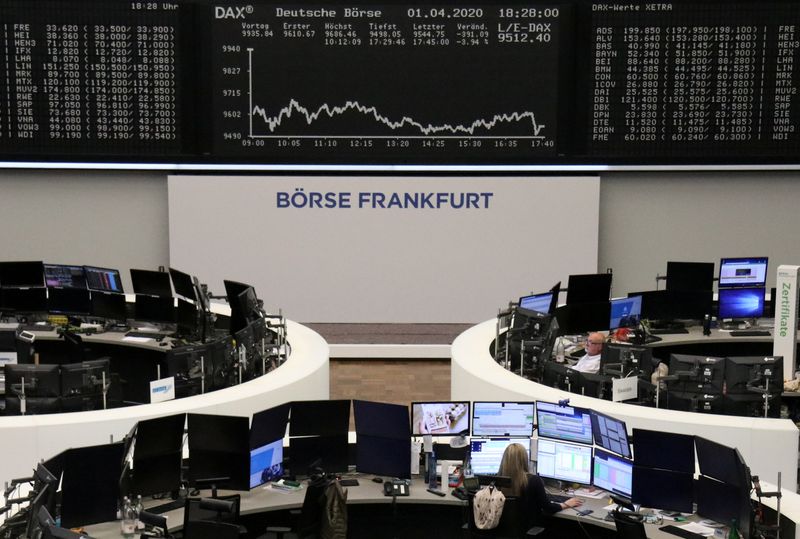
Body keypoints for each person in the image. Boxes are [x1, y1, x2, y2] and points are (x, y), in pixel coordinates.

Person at [497, 443, 582, 529]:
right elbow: (548, 508)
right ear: (524, 460)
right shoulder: (534, 480)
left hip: (503, 530)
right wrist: (566, 504)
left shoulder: (496, 481)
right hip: (529, 530)